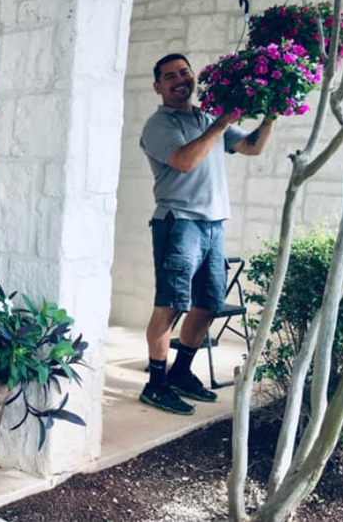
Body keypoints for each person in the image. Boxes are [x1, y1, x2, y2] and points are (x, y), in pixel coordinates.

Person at [139, 53, 275, 415]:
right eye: (170, 76)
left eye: (185, 72)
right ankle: (155, 384)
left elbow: (252, 146)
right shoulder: (159, 125)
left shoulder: (205, 118)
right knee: (170, 306)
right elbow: (184, 161)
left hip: (213, 225)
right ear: (158, 87)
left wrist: (271, 112)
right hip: (178, 222)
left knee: (207, 305)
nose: (180, 79)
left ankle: (181, 372)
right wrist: (222, 121)